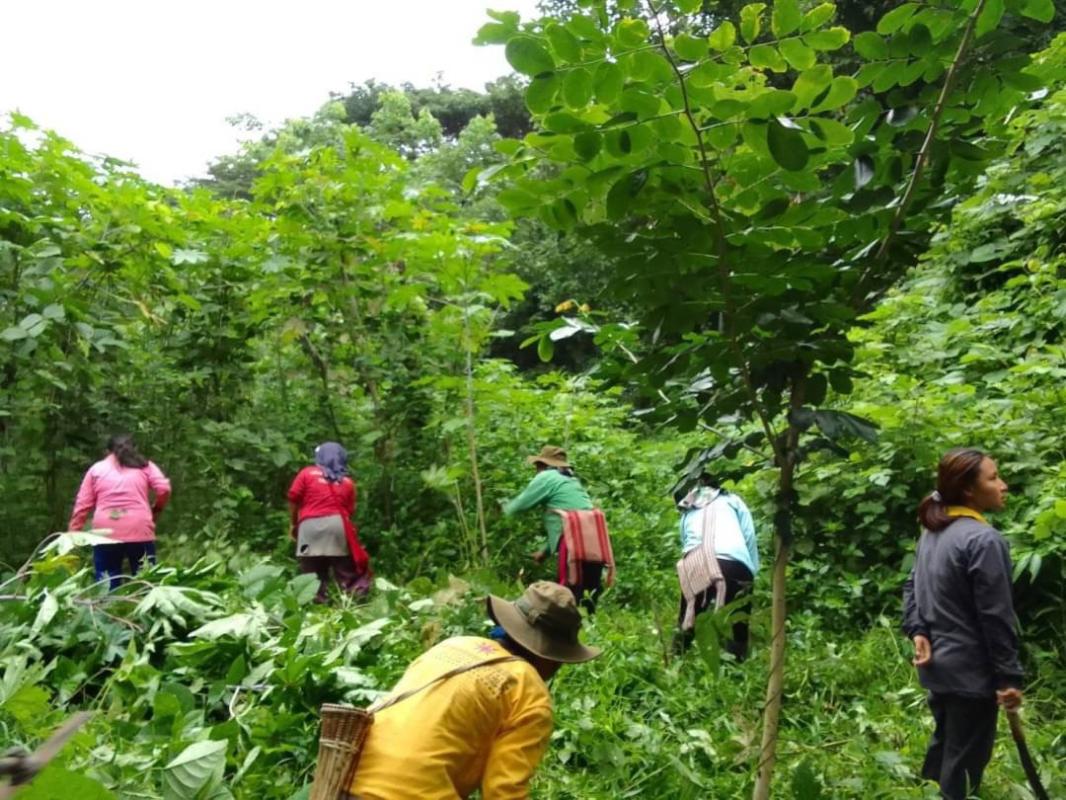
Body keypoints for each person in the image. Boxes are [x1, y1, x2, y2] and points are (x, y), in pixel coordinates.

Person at [348, 581, 601, 800]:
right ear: (551, 657)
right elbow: (503, 792)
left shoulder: (452, 645)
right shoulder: (528, 690)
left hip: (347, 784)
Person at [902, 447, 1023, 800]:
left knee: (945, 746)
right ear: (968, 490)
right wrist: (1008, 677)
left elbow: (911, 585)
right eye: (993, 478)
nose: (1003, 485)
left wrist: (918, 629)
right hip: (971, 674)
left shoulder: (934, 531)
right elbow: (995, 616)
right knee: (963, 766)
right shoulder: (983, 540)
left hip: (939, 669)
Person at [503, 445, 614, 613]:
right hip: (592, 541)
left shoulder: (546, 477)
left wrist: (503, 510)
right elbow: (566, 523)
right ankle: (590, 625)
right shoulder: (572, 481)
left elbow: (519, 505)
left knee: (569, 589)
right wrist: (545, 551)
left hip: (573, 542)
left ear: (542, 465)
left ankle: (564, 626)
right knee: (589, 589)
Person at [68, 433, 171, 590]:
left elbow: (82, 505)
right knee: (146, 581)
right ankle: (145, 611)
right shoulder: (144, 466)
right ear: (134, 448)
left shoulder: (96, 469)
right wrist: (156, 509)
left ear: (107, 451)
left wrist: (73, 534)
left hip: (105, 532)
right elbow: (163, 489)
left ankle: (106, 611)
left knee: (106, 581)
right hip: (139, 527)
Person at [674, 473, 758, 660]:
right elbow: (749, 536)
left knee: (687, 617)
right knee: (739, 622)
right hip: (735, 563)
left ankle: (676, 663)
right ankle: (737, 666)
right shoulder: (733, 500)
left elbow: (685, 542)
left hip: (696, 562)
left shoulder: (688, 507)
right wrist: (751, 570)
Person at [287, 442, 371, 603]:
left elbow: (293, 499)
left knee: (310, 571)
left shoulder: (307, 473)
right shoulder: (347, 482)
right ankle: (351, 602)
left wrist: (293, 524)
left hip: (307, 530)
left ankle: (315, 604)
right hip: (337, 527)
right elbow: (349, 511)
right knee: (344, 568)